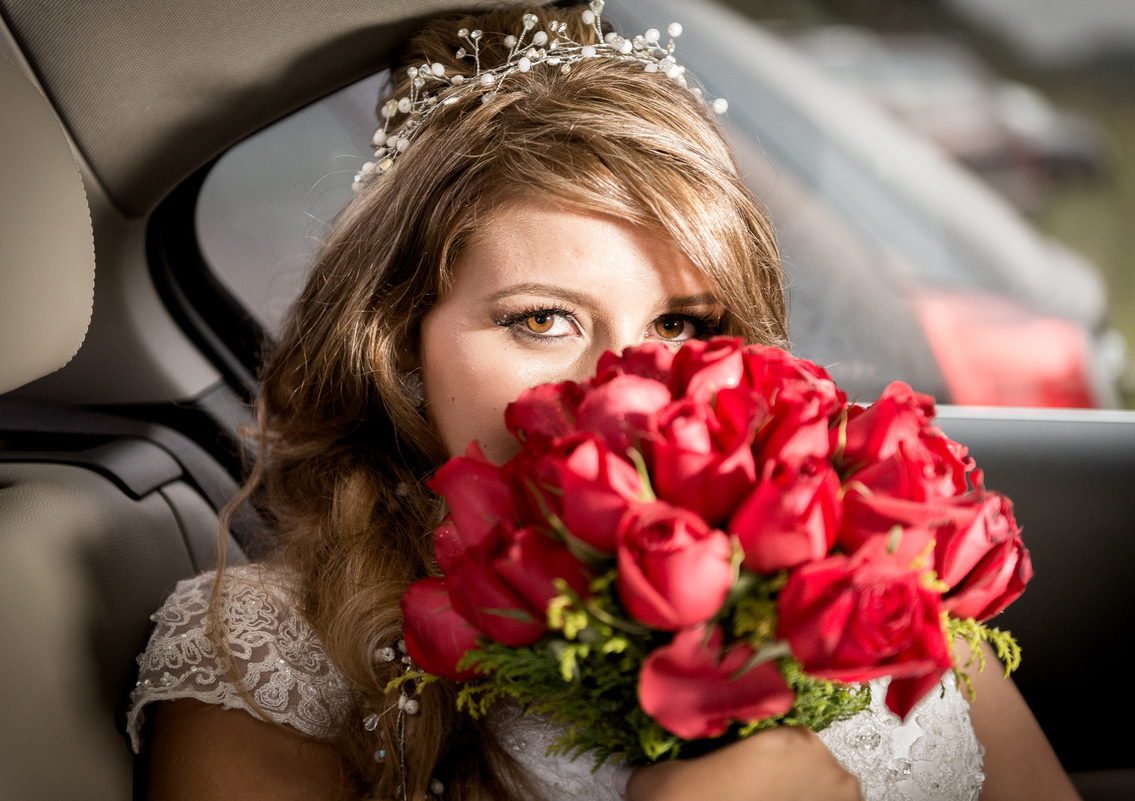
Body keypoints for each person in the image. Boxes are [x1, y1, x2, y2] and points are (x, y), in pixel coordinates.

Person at [127, 5, 1082, 800]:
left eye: (679, 327)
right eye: (541, 319)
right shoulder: (270, 658)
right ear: (403, 351)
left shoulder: (854, 564)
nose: (630, 387)